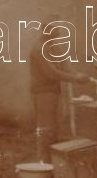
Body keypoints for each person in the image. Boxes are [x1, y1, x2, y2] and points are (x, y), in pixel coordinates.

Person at [29, 24, 90, 164]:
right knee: (46, 129)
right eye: (55, 30)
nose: (58, 33)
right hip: (42, 92)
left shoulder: (54, 46)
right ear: (46, 31)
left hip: (54, 91)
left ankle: (53, 163)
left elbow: (65, 64)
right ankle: (44, 162)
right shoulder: (39, 49)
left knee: (55, 128)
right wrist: (75, 78)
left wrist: (77, 74)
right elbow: (51, 73)